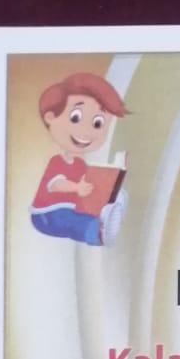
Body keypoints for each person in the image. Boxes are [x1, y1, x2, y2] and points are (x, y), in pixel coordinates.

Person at [31, 72, 129, 246]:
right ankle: (98, 233)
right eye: (75, 117)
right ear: (51, 118)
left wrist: (114, 178)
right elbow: (56, 184)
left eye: (97, 123)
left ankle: (111, 209)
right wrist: (76, 187)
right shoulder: (58, 161)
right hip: (47, 214)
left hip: (73, 207)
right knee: (72, 221)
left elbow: (89, 188)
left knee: (85, 210)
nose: (87, 131)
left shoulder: (81, 164)